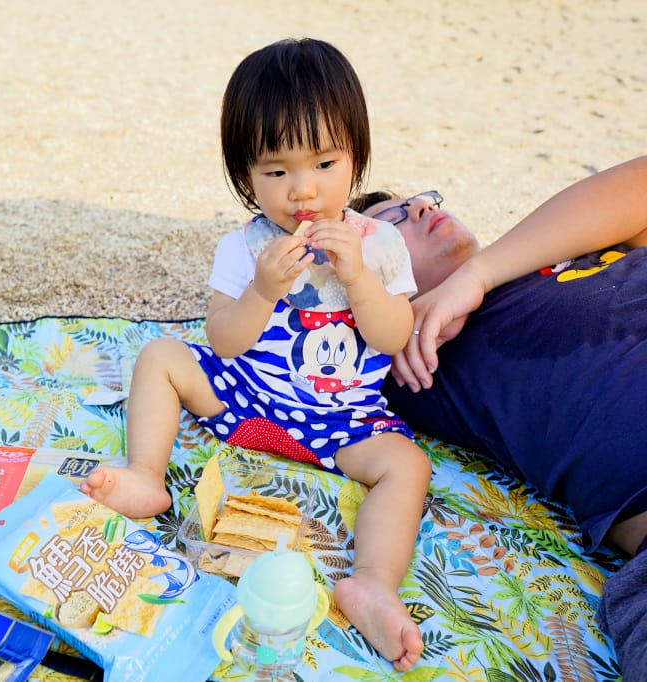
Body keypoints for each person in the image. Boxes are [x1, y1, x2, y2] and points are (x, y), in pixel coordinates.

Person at [81, 38, 429, 672]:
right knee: (161, 354)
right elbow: (225, 341)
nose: (303, 191)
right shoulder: (243, 249)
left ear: (356, 154)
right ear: (245, 175)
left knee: (407, 466)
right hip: (248, 399)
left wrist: (360, 281)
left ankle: (372, 582)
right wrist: (263, 288)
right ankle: (146, 477)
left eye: (325, 163)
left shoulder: (380, 246)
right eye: (276, 172)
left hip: (342, 420)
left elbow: (392, 336)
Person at [352, 155, 647, 681]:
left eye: (421, 200)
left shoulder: (557, 248)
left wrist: (479, 275)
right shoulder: (404, 363)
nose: (420, 207)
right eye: (391, 224)